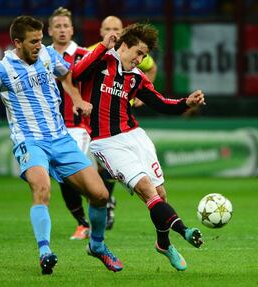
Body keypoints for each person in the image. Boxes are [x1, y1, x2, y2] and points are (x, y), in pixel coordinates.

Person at [0, 15, 123, 275]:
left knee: (100, 195)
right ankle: (45, 252)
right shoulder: (1, 69)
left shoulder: (49, 56)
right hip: (30, 141)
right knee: (42, 189)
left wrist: (76, 99)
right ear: (17, 42)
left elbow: (67, 75)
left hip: (60, 138)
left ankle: (97, 245)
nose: (40, 45)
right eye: (33, 42)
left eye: (41, 40)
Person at [73, 23, 205, 271]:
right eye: (138, 53)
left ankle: (163, 244)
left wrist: (186, 102)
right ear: (124, 46)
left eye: (144, 55)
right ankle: (184, 230)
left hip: (135, 136)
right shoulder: (101, 61)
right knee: (147, 190)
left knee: (160, 195)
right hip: (106, 142)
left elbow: (161, 103)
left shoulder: (136, 78)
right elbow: (77, 73)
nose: (141, 59)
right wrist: (103, 45)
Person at [87, 16, 159, 229]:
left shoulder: (135, 53)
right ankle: (101, 205)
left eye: (117, 28)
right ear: (101, 31)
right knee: (91, 171)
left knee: (109, 168)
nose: (113, 32)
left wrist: (139, 95)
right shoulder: (94, 51)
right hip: (93, 121)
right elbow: (76, 74)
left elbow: (151, 68)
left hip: (121, 120)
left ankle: (106, 204)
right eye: (108, 28)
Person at [48, 7, 91, 240]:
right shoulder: (41, 56)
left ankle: (87, 220)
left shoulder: (84, 55)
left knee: (67, 172)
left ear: (72, 29)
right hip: (50, 128)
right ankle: (96, 206)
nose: (62, 30)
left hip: (77, 126)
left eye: (66, 26)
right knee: (61, 175)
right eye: (58, 26)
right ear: (50, 30)